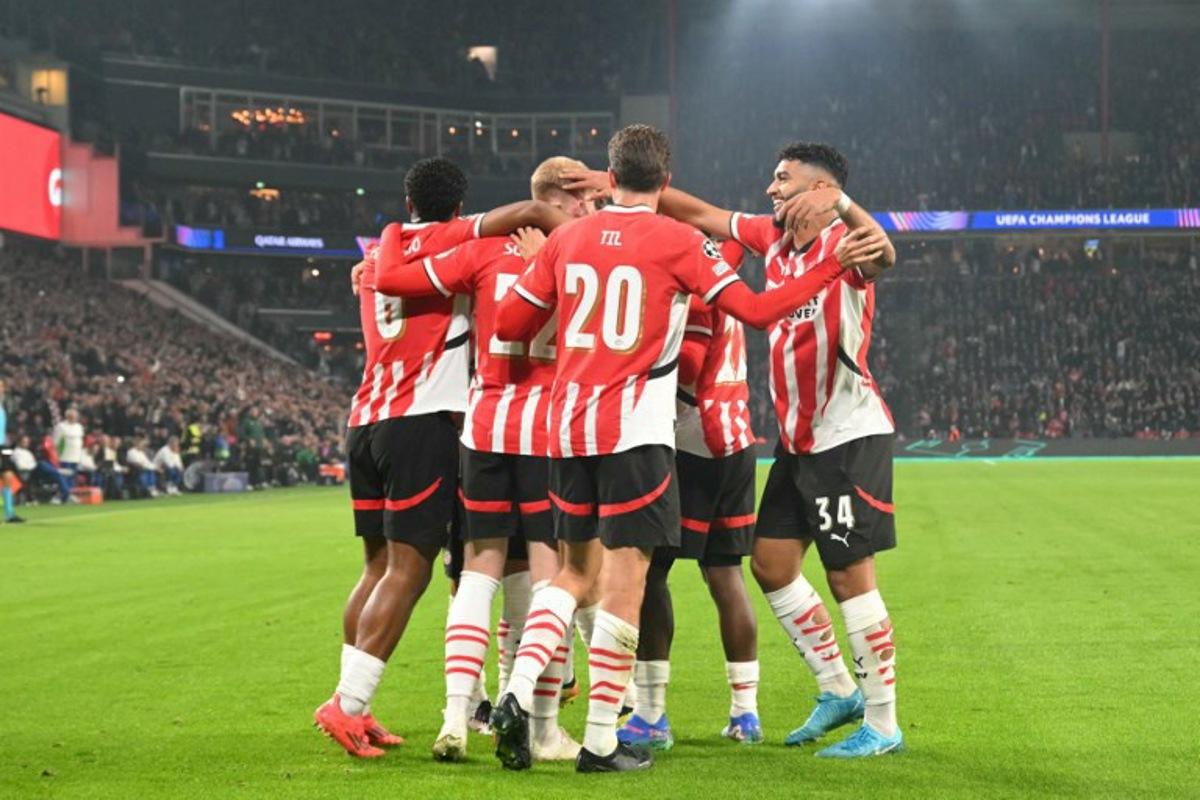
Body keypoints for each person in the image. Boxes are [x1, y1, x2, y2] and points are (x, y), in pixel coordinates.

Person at [491, 124, 885, 773]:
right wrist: (830, 268)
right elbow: (757, 312)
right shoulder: (682, 243)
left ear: (610, 179)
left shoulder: (566, 240)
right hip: (637, 436)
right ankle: (599, 741)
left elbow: (510, 326)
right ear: (666, 183)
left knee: (571, 575)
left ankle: (513, 695)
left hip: (567, 433)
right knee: (627, 583)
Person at [313, 156, 572, 759]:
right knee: (423, 569)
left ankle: (357, 701)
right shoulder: (459, 244)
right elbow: (522, 229)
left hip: (367, 418)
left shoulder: (385, 254)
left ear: (408, 203)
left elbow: (385, 273)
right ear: (459, 208)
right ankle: (352, 703)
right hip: (425, 422)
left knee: (376, 568)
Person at [616, 239, 763, 751]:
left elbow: (690, 367)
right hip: (737, 439)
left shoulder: (699, 294)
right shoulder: (726, 285)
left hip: (694, 442)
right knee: (725, 573)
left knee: (651, 570)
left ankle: (651, 714)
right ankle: (745, 714)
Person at [0, 380, 24, 524]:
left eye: (2, 386)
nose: (2, 388)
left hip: (2, 446)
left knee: (8, 477)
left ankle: (9, 513)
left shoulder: (3, 406)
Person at [53, 408, 85, 502]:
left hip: (76, 456)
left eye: (75, 416)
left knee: (72, 477)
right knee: (64, 476)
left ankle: (69, 495)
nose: (74, 418)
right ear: (67, 417)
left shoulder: (79, 426)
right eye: (72, 416)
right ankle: (63, 495)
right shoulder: (61, 426)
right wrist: (57, 455)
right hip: (65, 456)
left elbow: (80, 440)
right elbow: (56, 442)